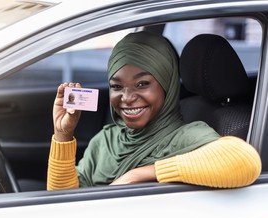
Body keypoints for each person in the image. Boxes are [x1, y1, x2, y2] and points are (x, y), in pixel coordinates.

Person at [47, 31, 261, 190]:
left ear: (167, 85)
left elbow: (245, 161)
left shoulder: (186, 137)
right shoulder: (106, 140)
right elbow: (63, 204)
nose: (127, 98)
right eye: (117, 86)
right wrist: (63, 135)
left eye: (142, 84)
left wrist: (139, 175)